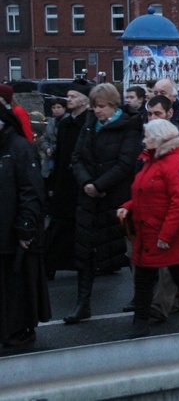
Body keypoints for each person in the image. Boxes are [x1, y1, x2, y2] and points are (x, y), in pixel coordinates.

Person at [118, 120, 179, 338]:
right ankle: (140, 323)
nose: (144, 140)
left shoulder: (174, 162)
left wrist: (166, 235)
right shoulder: (153, 159)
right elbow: (145, 193)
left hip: (167, 235)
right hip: (149, 231)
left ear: (160, 138)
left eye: (148, 136)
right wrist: (127, 207)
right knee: (143, 280)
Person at [64, 83, 142, 324]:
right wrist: (87, 183)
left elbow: (125, 163)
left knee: (129, 251)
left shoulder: (128, 127)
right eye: (95, 107)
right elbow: (76, 157)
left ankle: (142, 297)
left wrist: (99, 185)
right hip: (89, 200)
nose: (97, 111)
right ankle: (82, 304)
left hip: (117, 199)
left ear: (112, 105)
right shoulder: (89, 126)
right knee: (85, 252)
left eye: (101, 107)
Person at [0, 105, 51, 347]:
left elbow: (31, 191)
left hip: (14, 228)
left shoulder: (20, 148)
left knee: (18, 283)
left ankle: (19, 329)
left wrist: (26, 227)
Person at [45, 80, 92, 278]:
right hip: (64, 184)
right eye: (68, 96)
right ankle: (50, 263)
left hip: (82, 185)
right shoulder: (65, 124)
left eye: (73, 96)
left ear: (84, 100)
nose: (68, 99)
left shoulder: (89, 124)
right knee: (59, 226)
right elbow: (60, 155)